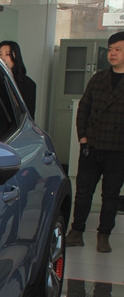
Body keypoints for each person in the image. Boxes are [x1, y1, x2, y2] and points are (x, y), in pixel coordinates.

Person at [66, 31, 124, 253]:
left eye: (118, 49)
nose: (112, 53)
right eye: (110, 49)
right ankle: (76, 232)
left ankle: (104, 235)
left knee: (110, 195)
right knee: (83, 192)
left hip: (118, 149)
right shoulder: (98, 79)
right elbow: (84, 108)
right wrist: (82, 137)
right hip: (92, 146)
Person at [0, 41, 36, 119]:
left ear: (16, 57)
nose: (2, 58)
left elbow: (28, 116)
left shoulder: (28, 84)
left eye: (8, 54)